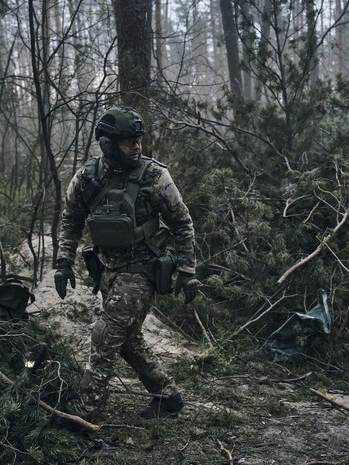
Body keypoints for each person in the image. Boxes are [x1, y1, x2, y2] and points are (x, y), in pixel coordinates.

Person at [54, 105, 200, 421]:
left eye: (138, 140)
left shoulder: (155, 176)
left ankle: (86, 410)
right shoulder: (87, 177)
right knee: (129, 342)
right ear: (108, 144)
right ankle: (168, 396)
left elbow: (182, 223)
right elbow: (71, 219)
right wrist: (63, 263)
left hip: (143, 269)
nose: (136, 146)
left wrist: (188, 270)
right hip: (108, 269)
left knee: (106, 333)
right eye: (128, 141)